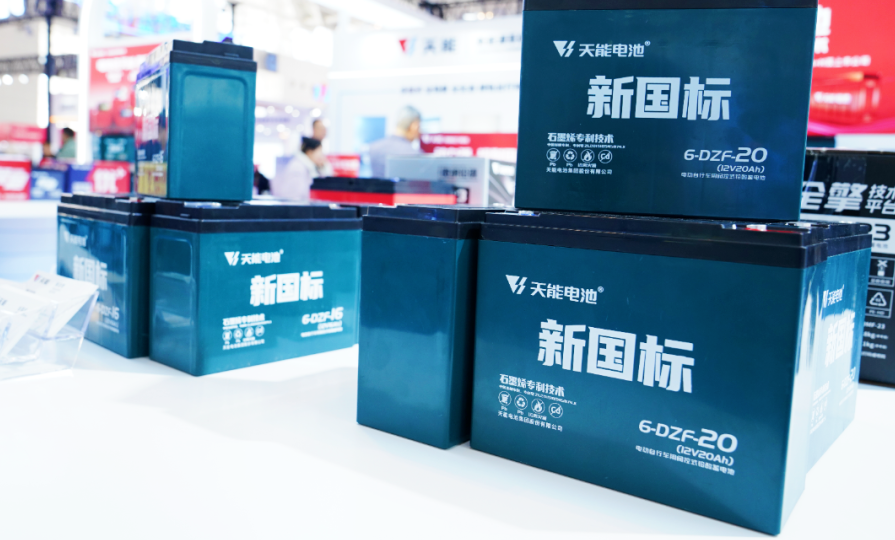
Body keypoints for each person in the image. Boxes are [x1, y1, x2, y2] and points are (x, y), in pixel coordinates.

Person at [368, 106, 422, 178]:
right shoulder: (414, 154)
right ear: (414, 126)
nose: (420, 132)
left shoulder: (374, 147)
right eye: (419, 127)